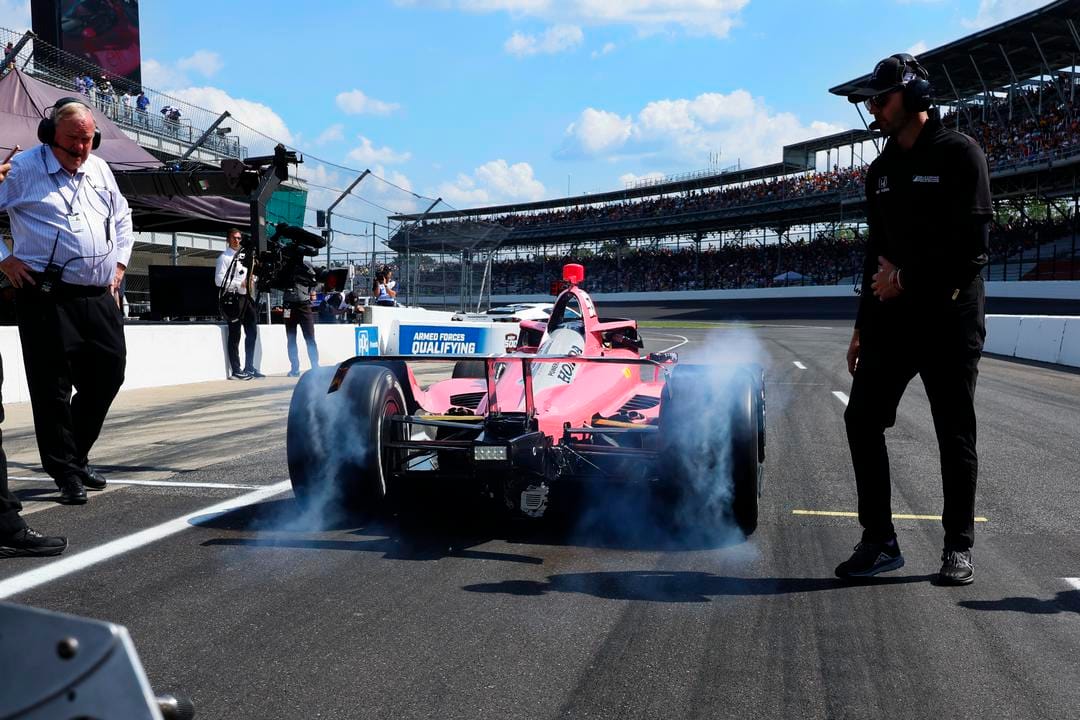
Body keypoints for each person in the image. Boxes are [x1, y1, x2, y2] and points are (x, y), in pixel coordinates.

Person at [833, 54, 991, 585]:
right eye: (871, 100)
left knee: (954, 432)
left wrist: (904, 280)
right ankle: (879, 540)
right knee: (861, 419)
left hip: (949, 319)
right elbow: (875, 253)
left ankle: (958, 547)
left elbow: (972, 248)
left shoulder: (961, 154)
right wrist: (861, 325)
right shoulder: (880, 171)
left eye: (882, 98)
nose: (874, 108)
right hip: (892, 322)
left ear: (917, 97)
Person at [0, 97, 133, 506]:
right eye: (72, 140)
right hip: (46, 295)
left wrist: (121, 264)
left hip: (97, 294)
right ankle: (66, 472)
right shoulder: (23, 170)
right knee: (52, 388)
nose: (80, 149)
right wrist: (3, 260)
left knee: (109, 373)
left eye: (88, 140)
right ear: (48, 135)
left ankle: (73, 454)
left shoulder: (99, 167)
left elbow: (123, 215)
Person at [214, 227, 261, 380]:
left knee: (252, 332)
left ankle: (249, 366)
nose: (237, 240)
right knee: (235, 334)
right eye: (234, 238)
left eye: (239, 238)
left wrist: (251, 280)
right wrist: (237, 283)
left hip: (247, 298)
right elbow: (219, 280)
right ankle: (236, 369)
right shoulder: (224, 257)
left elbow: (251, 275)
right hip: (233, 299)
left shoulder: (245, 256)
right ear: (228, 239)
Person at [284, 265, 319, 377]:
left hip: (304, 304)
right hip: (288, 304)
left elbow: (317, 279)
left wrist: (311, 291)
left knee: (310, 338)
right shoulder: (284, 265)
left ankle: (315, 366)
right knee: (291, 338)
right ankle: (294, 368)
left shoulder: (307, 265)